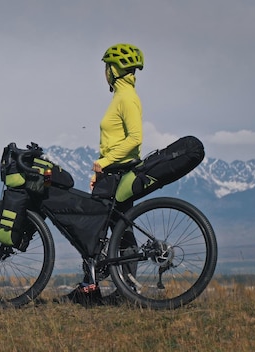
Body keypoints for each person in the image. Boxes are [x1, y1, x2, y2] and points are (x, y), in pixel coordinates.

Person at [56, 43, 144, 306]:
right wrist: (103, 168)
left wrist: (105, 161)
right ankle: (123, 291)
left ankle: (91, 289)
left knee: (98, 230)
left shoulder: (126, 97)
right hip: (112, 172)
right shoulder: (121, 96)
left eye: (107, 66)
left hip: (117, 172)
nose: (105, 72)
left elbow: (135, 138)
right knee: (119, 228)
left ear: (114, 69)